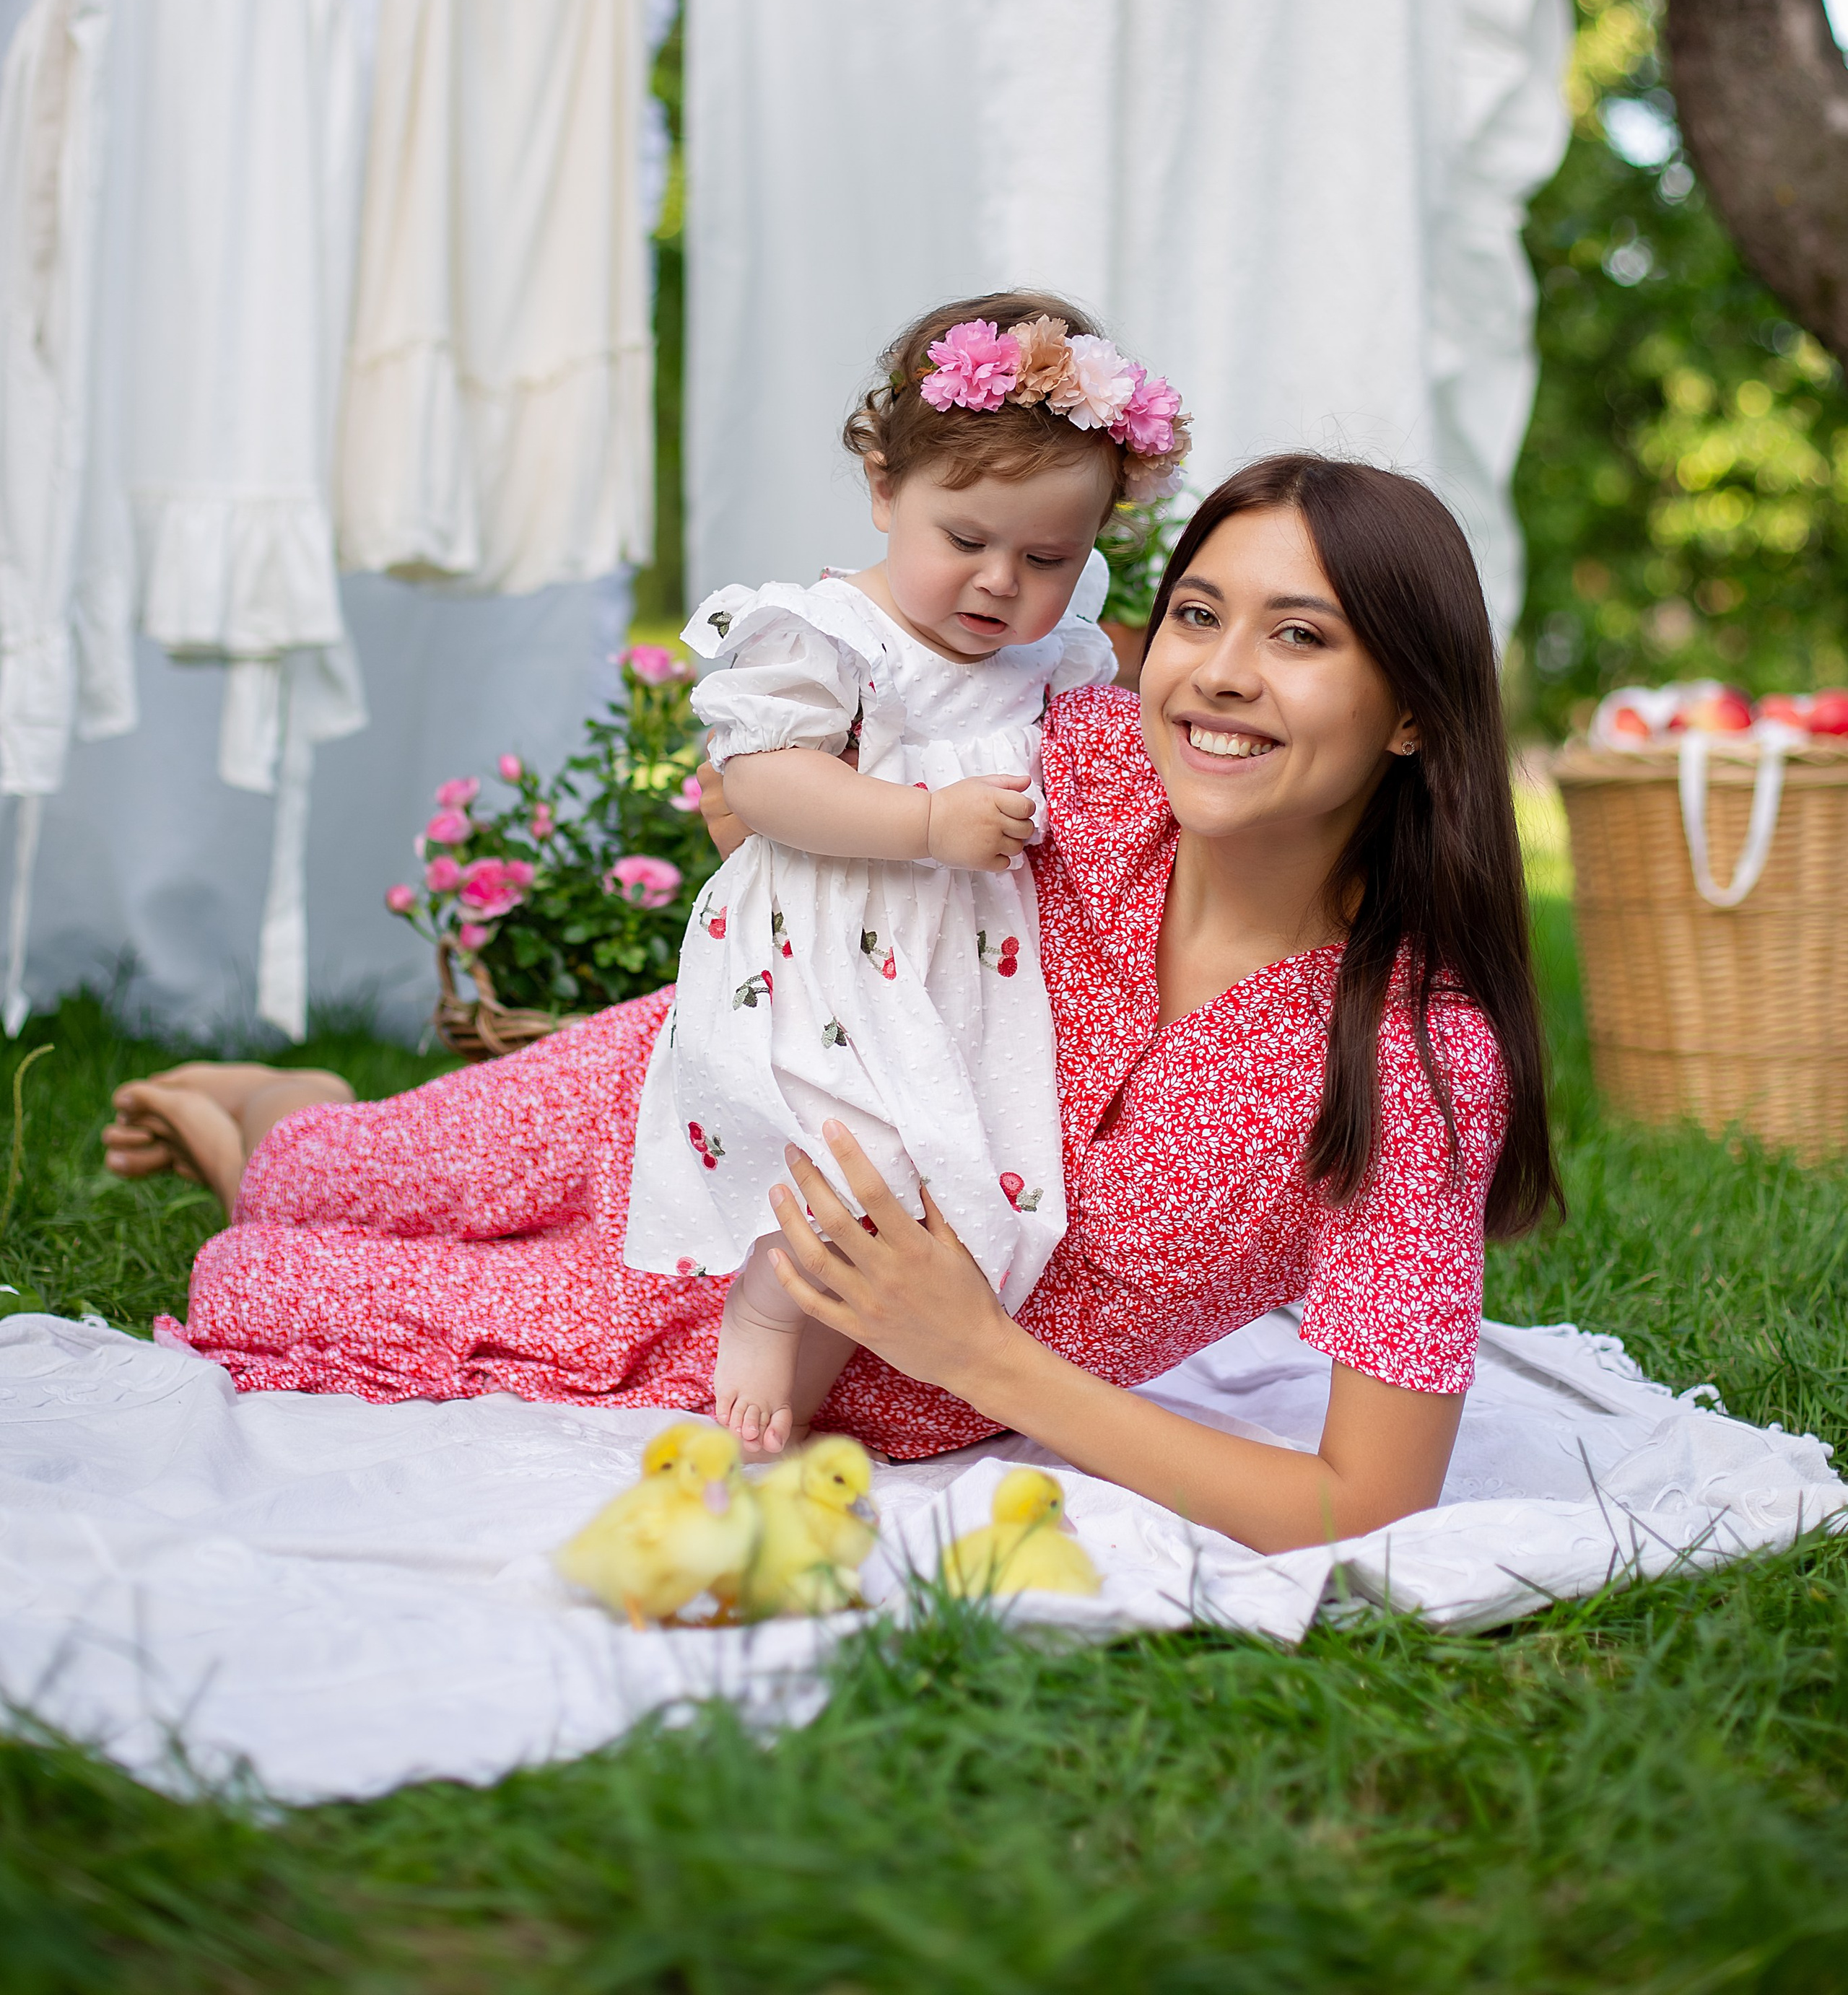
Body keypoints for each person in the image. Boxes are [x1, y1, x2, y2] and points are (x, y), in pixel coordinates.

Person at [108, 452, 1559, 1555]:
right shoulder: (1076, 763)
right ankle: (284, 1110)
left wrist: (977, 1357)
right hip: (681, 1098)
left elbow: (1363, 1501)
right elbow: (857, 681)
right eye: (1196, 615)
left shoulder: (1414, 1063)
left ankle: (263, 1144)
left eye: (1299, 638)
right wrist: (802, 807)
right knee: (320, 1173)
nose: (1220, 678)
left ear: (1415, 708)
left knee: (259, 1277)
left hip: (766, 1347)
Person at [623, 292, 1186, 1454]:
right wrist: (924, 823)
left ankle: (816, 1357)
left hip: (968, 965)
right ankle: (767, 1309)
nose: (998, 584)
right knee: (856, 1158)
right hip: (824, 953)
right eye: (966, 541)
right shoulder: (831, 634)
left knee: (948, 1175)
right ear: (885, 489)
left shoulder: (1053, 654)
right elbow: (765, 778)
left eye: (1045, 558)